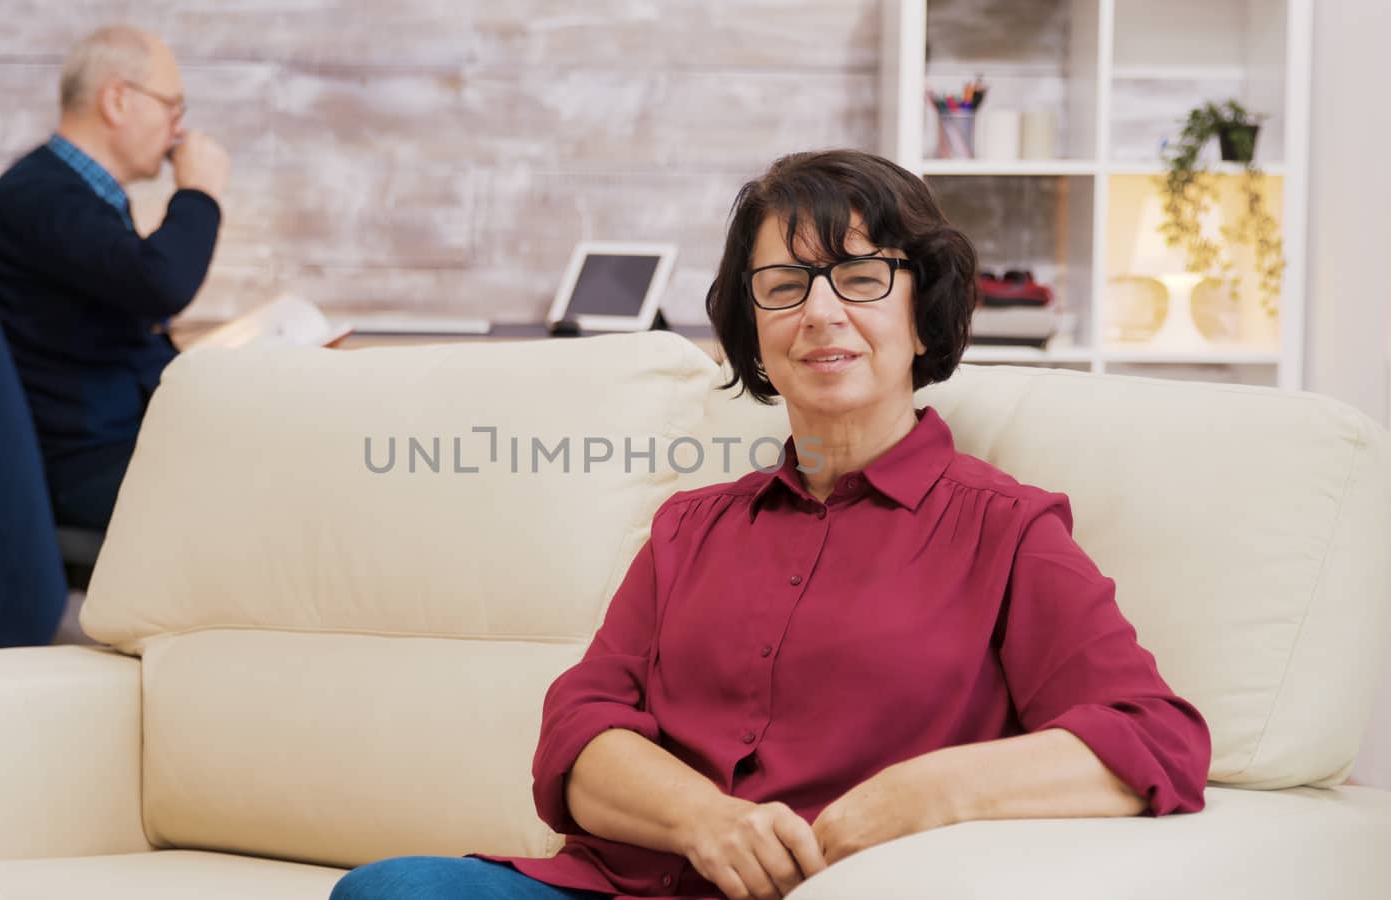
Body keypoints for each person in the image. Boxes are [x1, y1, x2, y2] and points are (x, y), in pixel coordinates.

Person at [330, 150, 1213, 900]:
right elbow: (579, 730)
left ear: (923, 308)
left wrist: (919, 796)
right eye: (785, 286)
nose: (820, 313)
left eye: (861, 278)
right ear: (754, 328)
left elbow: (1157, 740)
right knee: (385, 891)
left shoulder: (1007, 531)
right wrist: (704, 821)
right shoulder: (689, 530)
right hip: (622, 885)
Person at [0, 24, 231, 532]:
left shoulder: (71, 194)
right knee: (271, 493)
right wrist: (200, 193)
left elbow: (138, 302)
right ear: (117, 100)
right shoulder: (43, 199)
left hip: (106, 446)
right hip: (84, 465)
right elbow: (161, 283)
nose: (178, 130)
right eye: (173, 107)